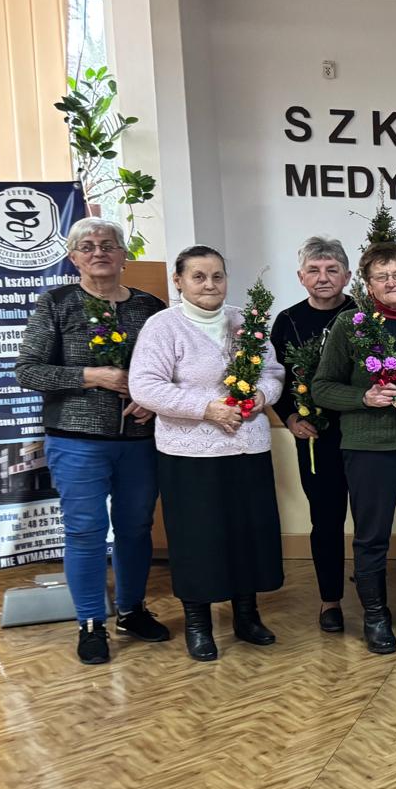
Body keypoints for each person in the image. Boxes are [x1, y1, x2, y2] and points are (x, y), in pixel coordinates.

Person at [14, 217, 169, 665]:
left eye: (108, 245)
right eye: (87, 246)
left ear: (123, 255)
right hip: (76, 439)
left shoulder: (150, 306)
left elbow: (171, 366)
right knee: (85, 530)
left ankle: (131, 610)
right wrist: (92, 375)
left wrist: (152, 399)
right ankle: (90, 623)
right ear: (73, 257)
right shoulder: (57, 303)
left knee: (136, 526)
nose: (98, 252)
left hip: (139, 439)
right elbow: (28, 371)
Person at [128, 246, 285, 661]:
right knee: (197, 539)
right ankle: (198, 624)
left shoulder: (245, 321)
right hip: (190, 455)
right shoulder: (163, 326)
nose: (209, 285)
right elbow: (145, 385)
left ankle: (247, 616)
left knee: (247, 534)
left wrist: (260, 397)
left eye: (217, 276)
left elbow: (273, 373)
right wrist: (206, 408)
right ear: (178, 281)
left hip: (247, 448)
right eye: (198, 276)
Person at [311, 243, 396, 655]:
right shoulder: (349, 326)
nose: (392, 283)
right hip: (369, 447)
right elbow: (322, 387)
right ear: (368, 284)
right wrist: (363, 397)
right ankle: (376, 618)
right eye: (381, 276)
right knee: (372, 536)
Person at [271, 236, 353, 632]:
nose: (323, 278)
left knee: (372, 521)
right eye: (314, 270)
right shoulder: (287, 321)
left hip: (364, 434)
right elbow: (276, 379)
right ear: (301, 276)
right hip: (316, 437)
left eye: (332, 269)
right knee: (326, 519)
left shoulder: (363, 315)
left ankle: (374, 598)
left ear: (347, 276)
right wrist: (288, 418)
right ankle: (330, 601)